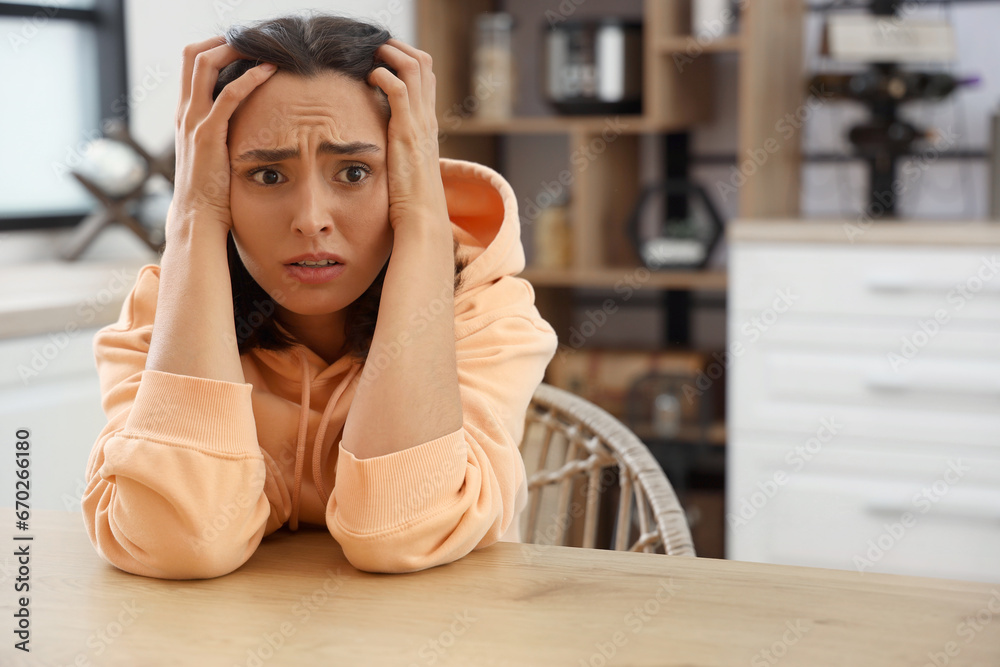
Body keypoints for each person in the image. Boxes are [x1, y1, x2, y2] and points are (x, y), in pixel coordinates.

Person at [82, 12, 557, 579]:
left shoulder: (483, 308)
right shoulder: (168, 308)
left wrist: (424, 223)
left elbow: (402, 531)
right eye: (267, 175)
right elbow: (178, 543)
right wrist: (191, 218)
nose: (311, 221)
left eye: (354, 172)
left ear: (405, 176)